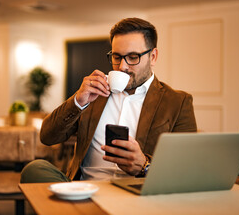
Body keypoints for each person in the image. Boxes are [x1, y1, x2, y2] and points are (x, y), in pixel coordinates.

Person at [20, 17, 197, 183]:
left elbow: (187, 170)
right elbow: (47, 136)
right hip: (85, 190)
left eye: (133, 57)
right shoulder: (94, 92)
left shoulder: (178, 102)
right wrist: (78, 101)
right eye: (117, 57)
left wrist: (145, 166)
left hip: (136, 195)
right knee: (35, 169)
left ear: (153, 57)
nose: (123, 66)